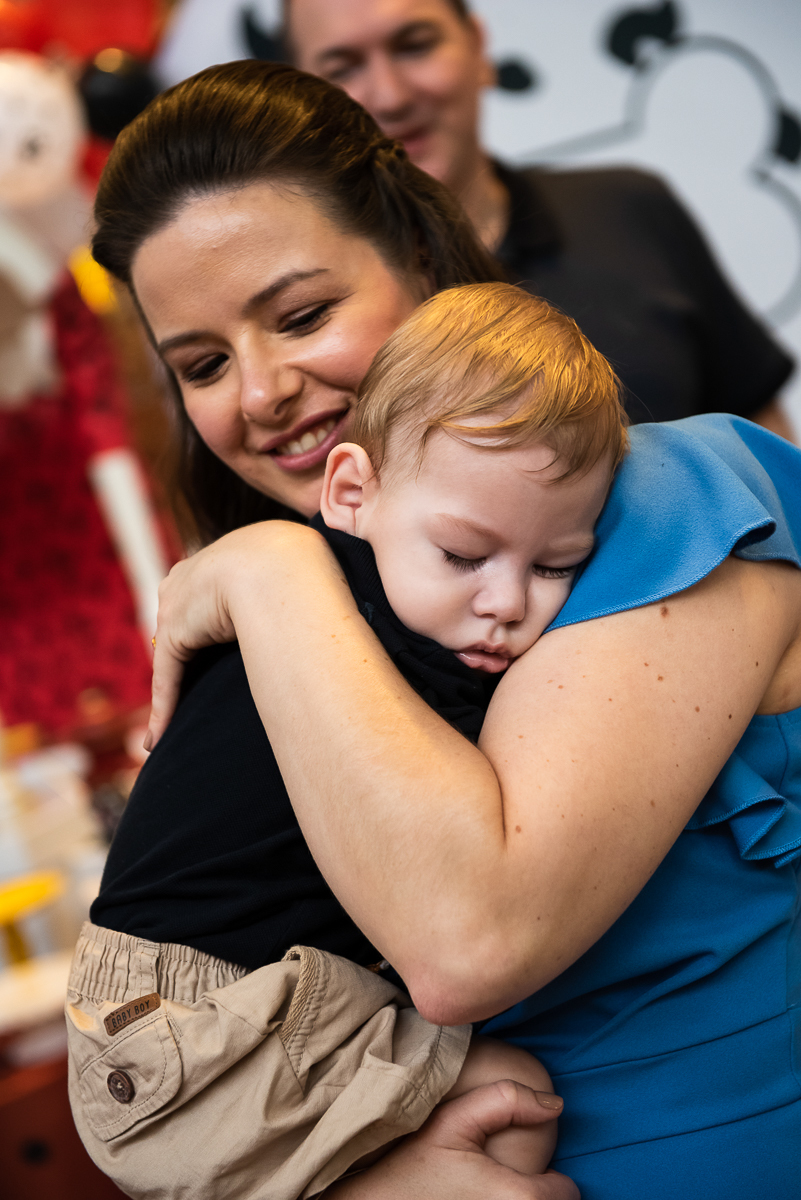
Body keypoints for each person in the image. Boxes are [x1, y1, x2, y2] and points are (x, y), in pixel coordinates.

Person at [85, 60, 801, 1200]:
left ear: (420, 261)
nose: (261, 392)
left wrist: (270, 573)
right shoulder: (348, 614)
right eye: (205, 365)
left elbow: (472, 941)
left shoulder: (675, 492)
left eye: (303, 315)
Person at [66, 282, 627, 1198]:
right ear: (352, 493)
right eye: (462, 555)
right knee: (516, 1100)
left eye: (557, 566)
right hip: (189, 1026)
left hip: (165, 1024)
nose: (505, 602)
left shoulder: (334, 594)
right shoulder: (359, 627)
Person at [283, 0, 797, 434]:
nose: (391, 96)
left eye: (415, 45)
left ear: (478, 49)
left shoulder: (630, 207)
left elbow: (764, 438)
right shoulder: (309, 308)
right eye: (342, 69)